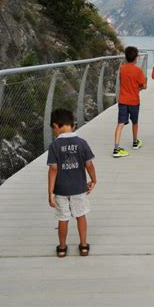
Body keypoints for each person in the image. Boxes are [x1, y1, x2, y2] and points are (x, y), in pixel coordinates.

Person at [47, 108, 97, 257]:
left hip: (61, 189)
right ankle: (83, 246)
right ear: (73, 125)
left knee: (63, 218)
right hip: (79, 187)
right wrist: (94, 180)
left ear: (56, 126)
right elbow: (89, 164)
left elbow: (53, 170)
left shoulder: (54, 146)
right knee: (81, 216)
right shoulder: (81, 143)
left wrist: (50, 192)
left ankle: (62, 248)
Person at [113, 46, 147, 157]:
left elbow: (121, 81)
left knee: (120, 123)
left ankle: (116, 148)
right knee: (135, 122)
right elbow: (144, 85)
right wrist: (137, 89)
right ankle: (135, 142)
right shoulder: (138, 70)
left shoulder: (122, 68)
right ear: (136, 58)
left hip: (123, 100)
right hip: (134, 100)